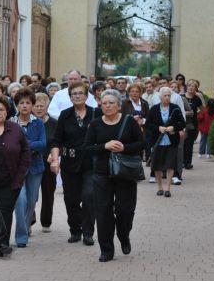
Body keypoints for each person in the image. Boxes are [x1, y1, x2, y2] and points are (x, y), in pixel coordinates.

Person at [83, 89, 145, 262]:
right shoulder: (95, 124)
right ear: (100, 105)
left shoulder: (129, 121)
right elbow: (86, 149)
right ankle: (106, 250)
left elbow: (142, 143)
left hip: (125, 173)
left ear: (119, 105)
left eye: (111, 103)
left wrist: (124, 148)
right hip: (102, 174)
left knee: (125, 211)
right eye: (104, 103)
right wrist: (105, 146)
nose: (108, 106)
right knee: (103, 212)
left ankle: (124, 236)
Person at [49, 81, 102, 246]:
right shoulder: (65, 115)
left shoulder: (96, 113)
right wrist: (55, 161)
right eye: (74, 94)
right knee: (71, 199)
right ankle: (75, 230)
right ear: (70, 97)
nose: (77, 96)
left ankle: (88, 232)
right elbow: (56, 140)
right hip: (70, 163)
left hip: (90, 163)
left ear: (87, 95)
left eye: (81, 93)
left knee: (88, 196)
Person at [0, 95, 30, 256]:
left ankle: (3, 243)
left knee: (5, 211)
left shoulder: (15, 129)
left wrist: (20, 176)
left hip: (11, 180)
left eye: (2, 110)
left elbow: (25, 152)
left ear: (7, 112)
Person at [12, 87, 46, 247]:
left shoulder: (38, 123)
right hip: (16, 168)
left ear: (32, 105)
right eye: (21, 103)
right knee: (20, 199)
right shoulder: (11, 123)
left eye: (27, 103)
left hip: (35, 167)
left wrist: (25, 146)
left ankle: (25, 227)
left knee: (32, 201)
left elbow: (42, 144)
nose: (24, 106)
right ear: (17, 105)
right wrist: (30, 146)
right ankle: (21, 235)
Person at [146, 87, 185, 198]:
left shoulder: (175, 108)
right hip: (157, 141)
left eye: (169, 95)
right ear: (160, 97)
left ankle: (167, 188)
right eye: (165, 95)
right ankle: (160, 188)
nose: (167, 98)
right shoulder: (154, 109)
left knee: (170, 164)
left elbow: (182, 123)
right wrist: (158, 128)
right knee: (157, 165)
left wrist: (173, 127)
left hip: (172, 141)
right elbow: (148, 124)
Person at [34, 93, 57, 233]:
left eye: (42, 106)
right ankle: (29, 219)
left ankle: (46, 221)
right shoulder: (28, 122)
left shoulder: (54, 123)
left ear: (47, 107)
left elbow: (58, 142)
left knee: (48, 193)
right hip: (31, 163)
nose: (39, 108)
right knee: (31, 195)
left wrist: (53, 154)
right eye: (36, 106)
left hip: (48, 163)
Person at [122, 82, 150, 163]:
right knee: (130, 152)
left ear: (140, 93)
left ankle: (138, 171)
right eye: (132, 91)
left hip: (141, 131)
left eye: (137, 91)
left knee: (139, 151)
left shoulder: (144, 103)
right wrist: (132, 118)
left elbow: (149, 117)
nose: (134, 93)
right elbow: (121, 116)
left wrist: (143, 120)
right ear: (129, 92)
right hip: (128, 131)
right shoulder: (125, 103)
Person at [183, 80, 203, 169]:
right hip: (182, 122)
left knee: (189, 143)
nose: (191, 87)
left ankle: (188, 162)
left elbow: (202, 109)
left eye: (193, 86)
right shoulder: (181, 97)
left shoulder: (197, 98)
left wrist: (195, 113)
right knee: (182, 143)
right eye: (189, 85)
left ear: (196, 88)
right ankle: (181, 161)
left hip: (192, 123)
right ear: (186, 87)